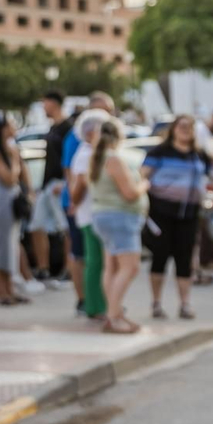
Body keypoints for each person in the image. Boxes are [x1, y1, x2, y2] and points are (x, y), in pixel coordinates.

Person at [141, 114, 210, 320]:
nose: (185, 130)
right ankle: (156, 303)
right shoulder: (160, 151)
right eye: (182, 126)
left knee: (185, 259)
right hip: (162, 212)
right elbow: (142, 176)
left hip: (189, 213)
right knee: (160, 257)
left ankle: (185, 303)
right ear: (173, 128)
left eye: (190, 126)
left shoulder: (198, 154)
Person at [88, 118, 148, 334]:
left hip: (105, 216)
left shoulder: (98, 158)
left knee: (111, 267)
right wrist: (143, 184)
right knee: (130, 267)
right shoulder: (113, 159)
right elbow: (130, 193)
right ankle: (114, 316)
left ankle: (115, 313)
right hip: (119, 218)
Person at [68, 108, 111, 321]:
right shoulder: (86, 155)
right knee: (94, 262)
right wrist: (75, 202)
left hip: (94, 214)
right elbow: (77, 190)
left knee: (98, 262)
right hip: (90, 215)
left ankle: (101, 303)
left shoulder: (91, 154)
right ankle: (95, 306)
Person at [0, 113, 28, 306]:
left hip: (12, 200)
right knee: (1, 246)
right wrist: (16, 160)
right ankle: (0, 291)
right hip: (2, 202)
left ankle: (9, 288)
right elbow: (9, 178)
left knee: (11, 246)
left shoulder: (9, 149)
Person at [30, 90, 72, 286]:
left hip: (59, 184)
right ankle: (43, 268)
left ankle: (69, 268)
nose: (43, 107)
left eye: (45, 103)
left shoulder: (68, 127)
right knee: (37, 225)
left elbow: (69, 158)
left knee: (65, 228)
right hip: (47, 185)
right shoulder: (52, 127)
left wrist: (65, 182)